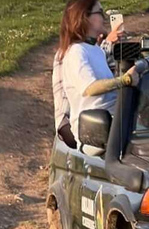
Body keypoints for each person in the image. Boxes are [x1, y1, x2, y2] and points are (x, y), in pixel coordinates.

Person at [56, 0, 136, 147]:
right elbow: (90, 88)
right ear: (84, 17)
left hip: (114, 125)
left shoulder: (96, 50)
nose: (104, 18)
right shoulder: (76, 52)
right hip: (96, 133)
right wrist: (125, 80)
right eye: (99, 12)